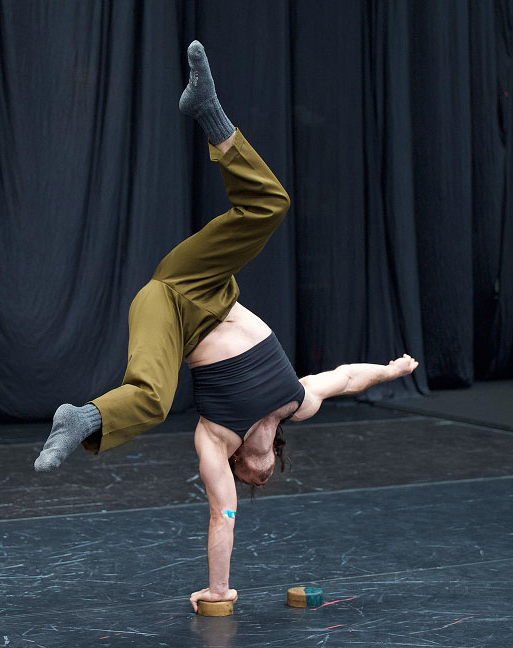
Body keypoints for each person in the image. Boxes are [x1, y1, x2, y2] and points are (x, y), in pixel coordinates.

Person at [34, 40, 419, 612]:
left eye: (250, 480)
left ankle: (82, 418)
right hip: (204, 283)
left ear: (239, 465)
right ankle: (209, 111)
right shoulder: (296, 403)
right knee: (270, 205)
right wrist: (389, 371)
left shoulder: (216, 440)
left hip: (166, 311)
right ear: (273, 456)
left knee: (152, 398)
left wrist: (218, 590)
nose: (260, 479)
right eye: (267, 476)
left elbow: (222, 515)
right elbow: (343, 377)